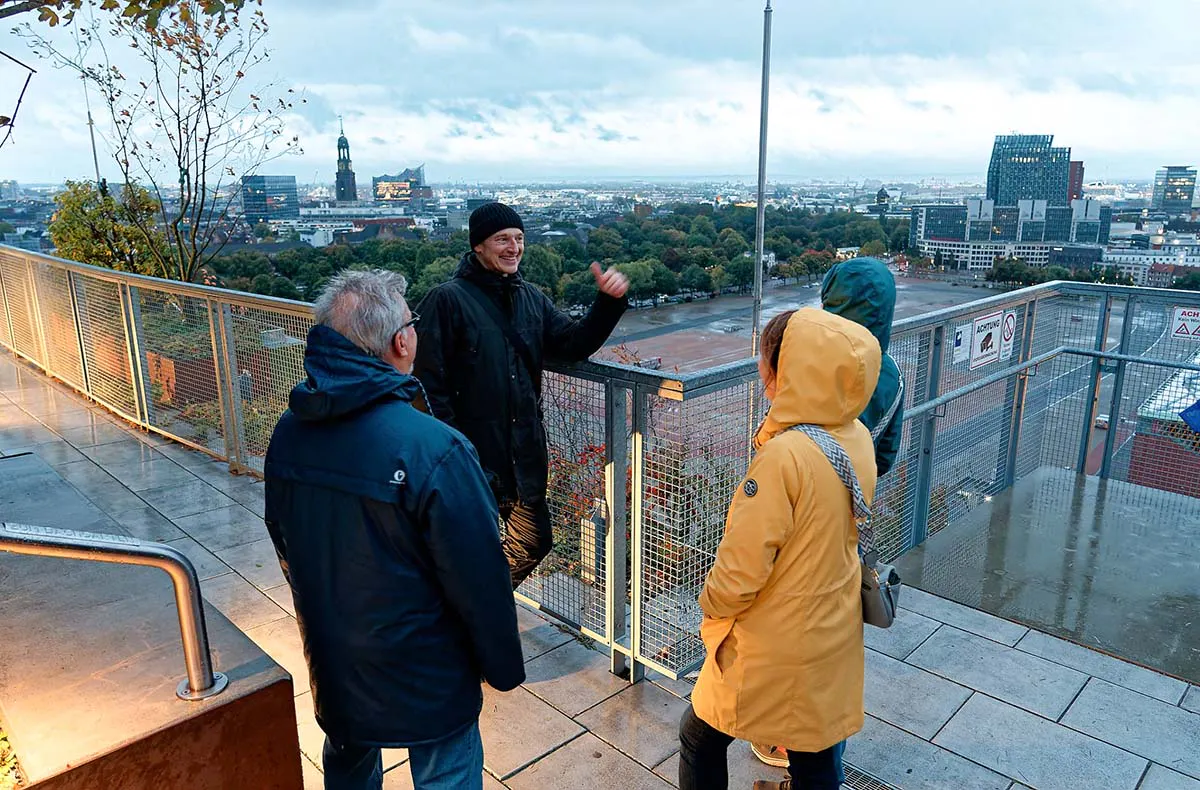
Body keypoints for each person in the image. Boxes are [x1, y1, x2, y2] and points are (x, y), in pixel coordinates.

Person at [264, 269, 524, 790]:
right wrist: (502, 667)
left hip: (335, 654)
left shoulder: (290, 432)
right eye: (413, 324)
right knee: (446, 771)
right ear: (401, 341)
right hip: (425, 666)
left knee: (349, 758)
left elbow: (285, 540)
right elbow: (478, 576)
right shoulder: (434, 447)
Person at [678, 308, 882, 790]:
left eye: (768, 365)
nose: (763, 377)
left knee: (699, 737)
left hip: (775, 639)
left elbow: (741, 570)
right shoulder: (857, 438)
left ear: (789, 371)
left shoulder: (783, 457)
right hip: (830, 624)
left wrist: (711, 607)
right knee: (814, 747)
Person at [414, 202, 629, 588]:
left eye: (519, 239)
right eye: (502, 239)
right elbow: (426, 384)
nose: (513, 247)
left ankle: (474, 605)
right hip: (468, 455)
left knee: (533, 541)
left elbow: (570, 344)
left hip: (522, 452)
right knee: (457, 545)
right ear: (478, 245)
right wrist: (451, 451)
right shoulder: (445, 301)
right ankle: (463, 617)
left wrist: (608, 304)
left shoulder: (531, 297)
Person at [751, 256, 905, 777]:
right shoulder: (890, 373)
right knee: (831, 634)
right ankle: (824, 742)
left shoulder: (817, 364)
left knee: (787, 626)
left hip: (800, 519)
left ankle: (793, 741)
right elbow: (883, 456)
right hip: (850, 518)